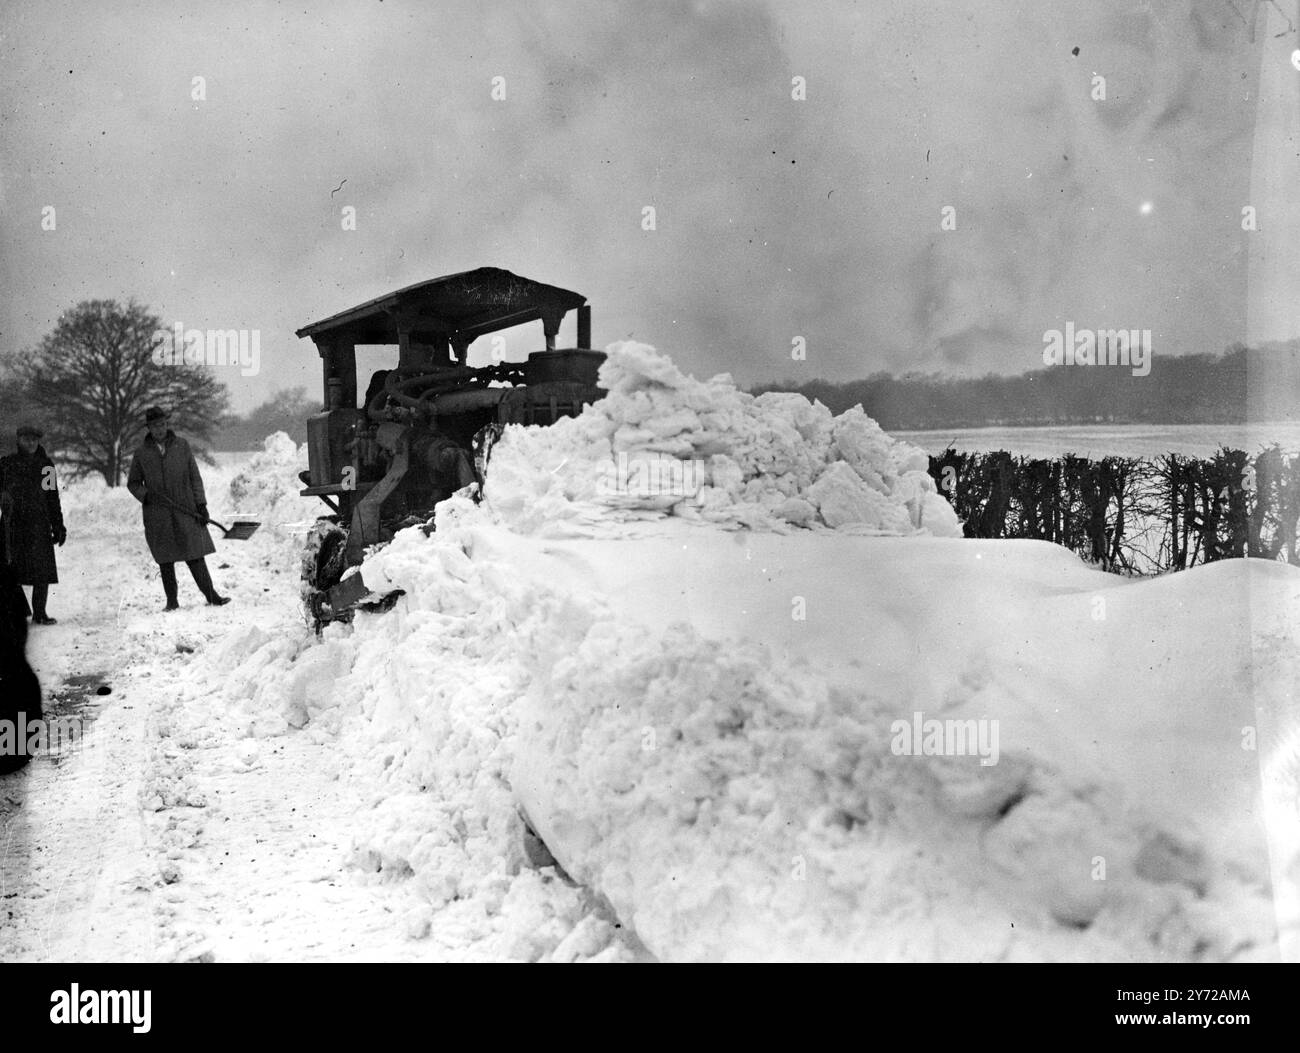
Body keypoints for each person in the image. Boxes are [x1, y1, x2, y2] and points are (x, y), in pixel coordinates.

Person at [126, 406, 230, 610]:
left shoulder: (182, 446)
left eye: (162, 424)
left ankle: (212, 596)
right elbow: (133, 483)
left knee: (195, 554)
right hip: (158, 513)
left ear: (167, 424)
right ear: (149, 428)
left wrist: (201, 505)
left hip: (185, 508)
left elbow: (195, 477)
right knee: (165, 559)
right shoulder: (141, 453)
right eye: (155, 426)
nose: (159, 429)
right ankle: (172, 601)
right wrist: (147, 495)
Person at [0, 423, 65, 625]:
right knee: (11, 571)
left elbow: (52, 497)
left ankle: (40, 613)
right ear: (18, 440)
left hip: (38, 524)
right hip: (13, 524)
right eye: (26, 439)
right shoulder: (7, 464)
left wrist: (58, 525)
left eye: (34, 440)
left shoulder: (45, 466)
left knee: (41, 570)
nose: (31, 443)